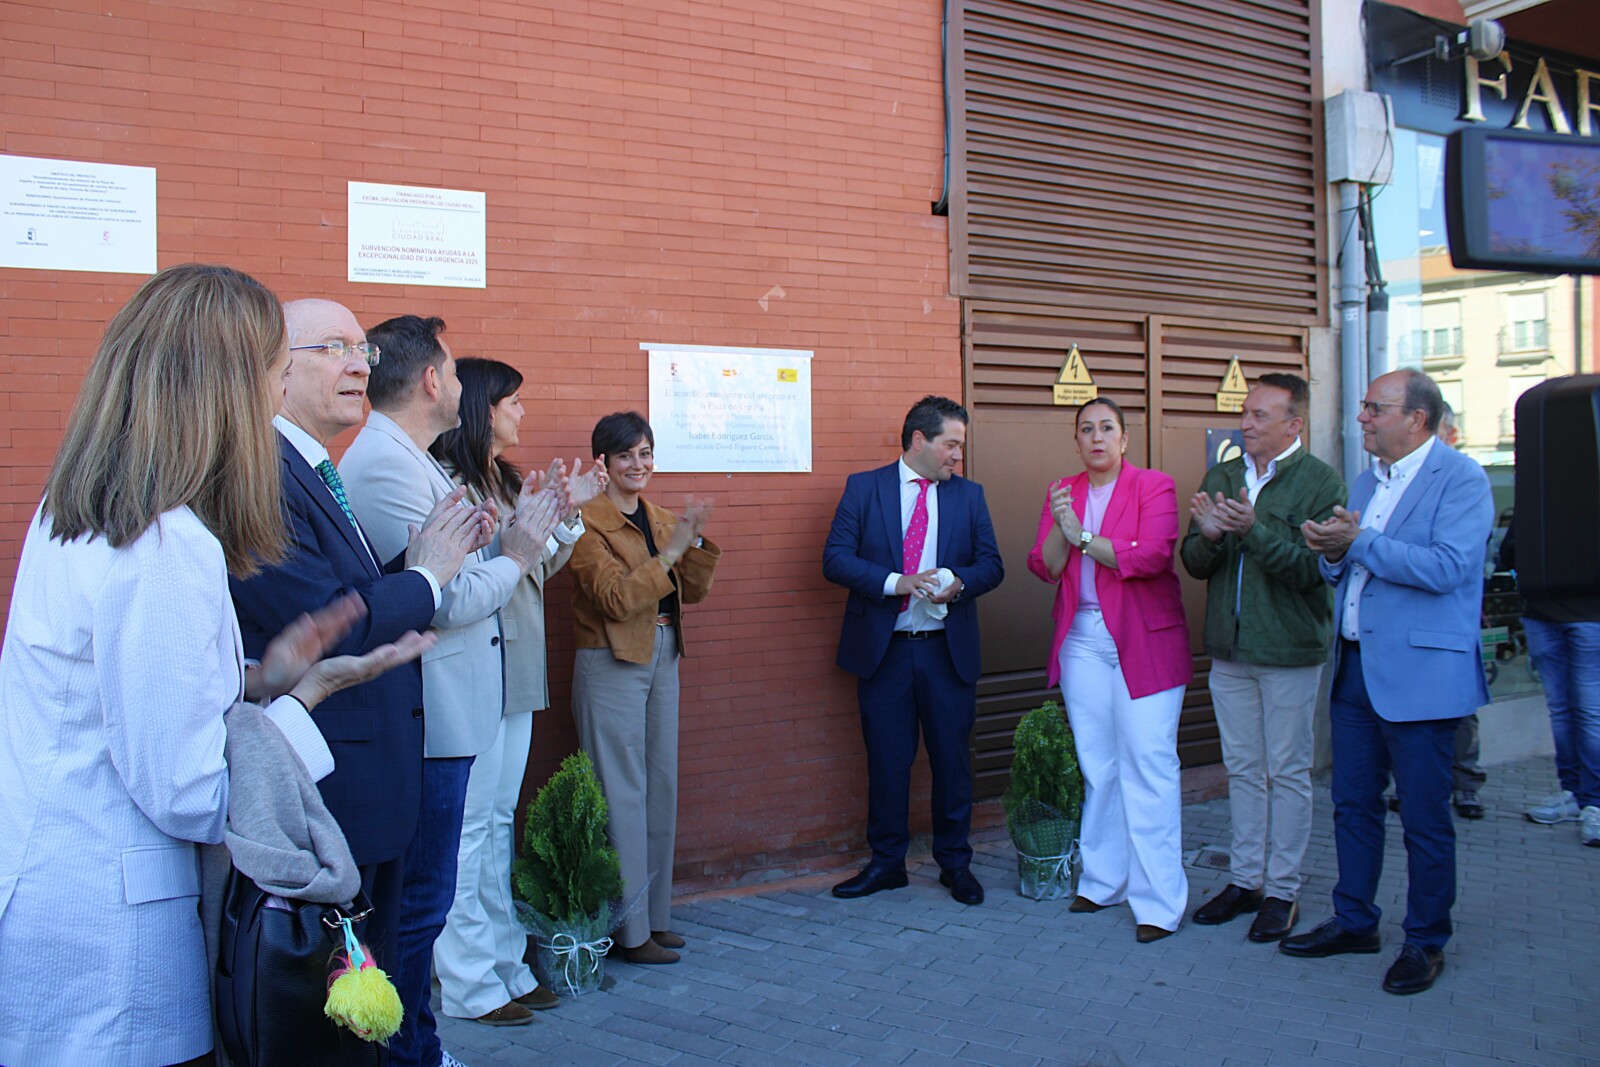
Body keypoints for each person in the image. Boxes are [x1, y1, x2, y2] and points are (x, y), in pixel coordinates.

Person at [0, 265, 435, 1067]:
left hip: (63, 894)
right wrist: (303, 699)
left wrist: (258, 676)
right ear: (231, 385)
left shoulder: (84, 508)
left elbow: (122, 692)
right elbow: (191, 788)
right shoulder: (164, 541)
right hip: (115, 938)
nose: (276, 393)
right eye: (274, 369)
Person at [230, 298, 487, 1067]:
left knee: (377, 985)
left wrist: (423, 565)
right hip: (333, 776)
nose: (358, 365)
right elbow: (321, 616)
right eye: (334, 348)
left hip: (371, 775)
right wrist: (426, 578)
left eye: (361, 351)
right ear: (276, 369)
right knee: (343, 1009)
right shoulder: (264, 471)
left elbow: (350, 594)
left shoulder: (313, 463)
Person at [338, 316, 582, 1062]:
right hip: (432, 709)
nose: (457, 381)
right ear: (431, 380)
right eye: (450, 368)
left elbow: (462, 571)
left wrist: (525, 538)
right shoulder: (386, 463)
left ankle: (422, 1037)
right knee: (420, 905)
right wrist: (517, 551)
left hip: (463, 699)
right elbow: (444, 595)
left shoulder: (413, 459)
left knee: (441, 884)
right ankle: (418, 1039)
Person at [1283, 369, 1493, 996]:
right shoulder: (1368, 479)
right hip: (1356, 669)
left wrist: (1360, 542)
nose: (1363, 418)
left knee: (1424, 818)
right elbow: (1350, 567)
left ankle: (1425, 940)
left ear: (1417, 419)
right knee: (1352, 805)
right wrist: (1331, 551)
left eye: (1376, 408)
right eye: (1365, 407)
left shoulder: (1462, 479)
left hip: (1422, 676)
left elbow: (1448, 568)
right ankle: (1354, 921)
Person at [426, 357, 592, 1024]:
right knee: (468, 830)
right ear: (481, 408)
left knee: (497, 822)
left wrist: (562, 519)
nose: (522, 412)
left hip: (515, 665)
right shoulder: (447, 480)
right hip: (470, 668)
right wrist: (525, 539)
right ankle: (466, 979)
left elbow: (533, 569)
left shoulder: (505, 478)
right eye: (512, 402)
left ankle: (505, 962)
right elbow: (467, 581)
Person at [1181, 374, 1345, 943]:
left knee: (1289, 773)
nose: (1244, 424)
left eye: (1258, 416)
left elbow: (1311, 571)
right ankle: (1245, 880)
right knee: (1244, 770)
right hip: (1230, 651)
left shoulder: (1320, 481)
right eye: (1244, 413)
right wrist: (1208, 536)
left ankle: (1283, 891)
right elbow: (1194, 563)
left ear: (1293, 424)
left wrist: (1252, 531)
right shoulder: (1223, 475)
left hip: (1289, 652)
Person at [823, 395, 1005, 907]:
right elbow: (835, 559)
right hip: (885, 653)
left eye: (961, 446)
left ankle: (956, 864)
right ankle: (887, 864)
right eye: (951, 444)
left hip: (947, 652)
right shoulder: (865, 489)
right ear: (919, 440)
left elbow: (992, 565)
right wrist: (896, 582)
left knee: (952, 762)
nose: (958, 456)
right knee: (887, 762)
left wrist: (959, 583)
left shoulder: (970, 496)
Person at [1027, 397, 1192, 943]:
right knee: (1099, 765)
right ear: (1076, 441)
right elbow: (1046, 566)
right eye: (1086, 429)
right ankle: (1103, 881)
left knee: (1148, 765)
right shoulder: (1064, 491)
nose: (1096, 437)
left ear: (1124, 439)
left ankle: (1159, 903)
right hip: (1083, 642)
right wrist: (1062, 526)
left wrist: (1080, 535)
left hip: (1144, 641)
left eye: (1106, 428)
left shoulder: (1154, 486)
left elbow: (1151, 556)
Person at [569, 411, 721, 963]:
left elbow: (692, 592)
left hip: (663, 652)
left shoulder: (658, 517)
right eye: (626, 455)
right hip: (610, 658)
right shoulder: (586, 521)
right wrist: (673, 552)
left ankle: (655, 920)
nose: (639, 464)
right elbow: (615, 599)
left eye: (646, 453)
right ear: (603, 463)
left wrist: (692, 540)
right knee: (621, 793)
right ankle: (628, 933)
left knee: (659, 787)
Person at [1501, 519, 1600, 844]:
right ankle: (1573, 793)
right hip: (1542, 615)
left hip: (1591, 615)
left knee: (1590, 712)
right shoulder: (1541, 504)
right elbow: (1509, 551)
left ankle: (1595, 803)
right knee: (1561, 710)